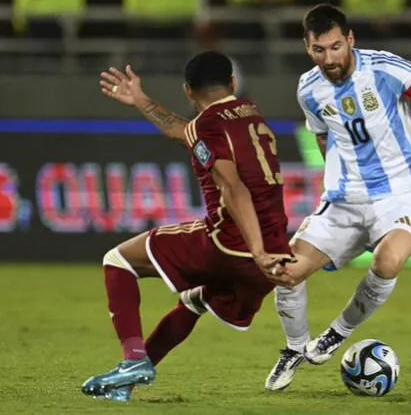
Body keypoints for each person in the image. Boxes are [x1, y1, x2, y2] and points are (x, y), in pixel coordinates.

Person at [262, 4, 411, 391]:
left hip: (401, 195)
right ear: (307, 47)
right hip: (345, 199)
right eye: (319, 50)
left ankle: (337, 332)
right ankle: (293, 349)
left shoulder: (386, 68)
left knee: (390, 260)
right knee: (285, 271)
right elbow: (321, 133)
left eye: (336, 47)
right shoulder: (309, 89)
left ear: (350, 40)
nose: (329, 58)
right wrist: (336, 171)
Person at [81, 51, 293, 402]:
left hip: (234, 245)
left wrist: (255, 251)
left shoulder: (207, 126)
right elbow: (186, 134)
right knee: (193, 302)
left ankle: (133, 360)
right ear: (232, 83)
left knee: (117, 260)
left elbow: (233, 186)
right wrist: (142, 101)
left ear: (187, 90)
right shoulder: (249, 112)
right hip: (275, 253)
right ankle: (125, 385)